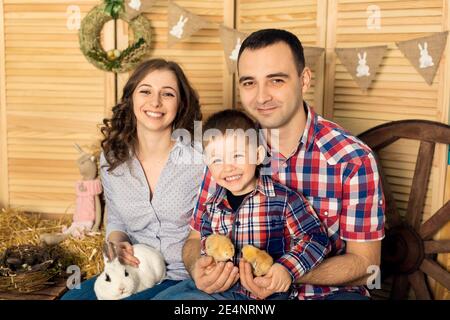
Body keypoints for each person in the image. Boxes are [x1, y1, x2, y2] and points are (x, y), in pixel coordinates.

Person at [156, 29, 385, 300]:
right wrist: (199, 268)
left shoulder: (351, 158)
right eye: (249, 83)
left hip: (324, 294)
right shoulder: (227, 146)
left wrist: (281, 271)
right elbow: (196, 238)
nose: (262, 97)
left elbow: (366, 266)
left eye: (276, 80)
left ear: (304, 80)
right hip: (235, 292)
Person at [61, 58, 204, 300]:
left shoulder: (200, 157)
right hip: (130, 274)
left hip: (185, 276)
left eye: (167, 94)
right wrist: (116, 244)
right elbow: (116, 219)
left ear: (181, 104)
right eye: (145, 91)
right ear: (131, 98)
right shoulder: (112, 158)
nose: (155, 102)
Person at [154, 109, 329, 300]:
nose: (228, 167)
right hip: (223, 289)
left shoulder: (284, 200)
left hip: (267, 292)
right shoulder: (212, 206)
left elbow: (316, 239)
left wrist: (287, 268)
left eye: (237, 156)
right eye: (217, 160)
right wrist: (207, 265)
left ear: (258, 155)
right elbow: (206, 242)